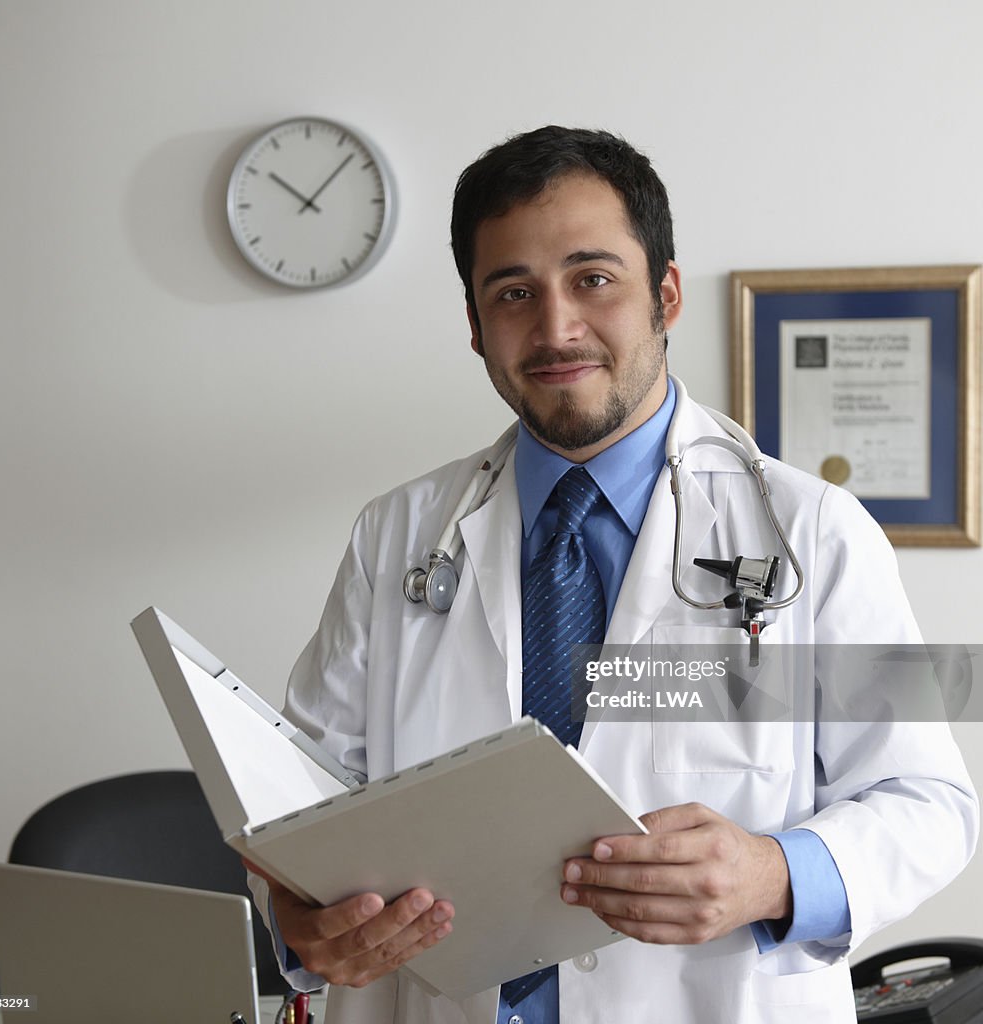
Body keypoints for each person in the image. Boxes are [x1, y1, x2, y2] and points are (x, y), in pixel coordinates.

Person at [247, 126, 979, 1024]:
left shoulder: (816, 534)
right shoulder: (396, 535)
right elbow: (302, 807)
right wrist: (298, 921)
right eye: (514, 293)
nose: (556, 328)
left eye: (593, 279)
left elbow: (931, 803)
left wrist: (775, 873)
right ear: (475, 328)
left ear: (665, 294)